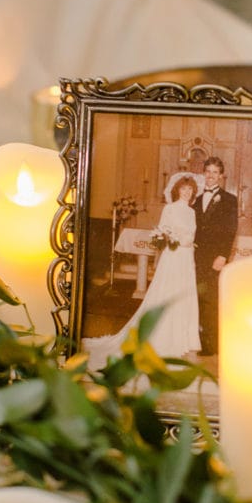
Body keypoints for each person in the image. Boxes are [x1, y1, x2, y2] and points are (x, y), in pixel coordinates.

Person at [83, 176, 201, 370]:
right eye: (183, 189)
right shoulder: (169, 209)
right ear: (177, 190)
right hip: (173, 257)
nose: (186, 193)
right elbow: (163, 234)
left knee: (184, 297)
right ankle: (163, 336)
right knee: (167, 293)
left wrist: (186, 241)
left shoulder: (191, 212)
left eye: (190, 190)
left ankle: (182, 340)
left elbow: (192, 235)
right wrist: (172, 240)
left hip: (187, 259)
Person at [193, 156, 238, 356]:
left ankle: (213, 345)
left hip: (215, 258)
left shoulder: (229, 200)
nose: (210, 176)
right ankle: (201, 340)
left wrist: (222, 256)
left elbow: (230, 230)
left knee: (212, 299)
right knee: (198, 299)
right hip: (195, 257)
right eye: (208, 171)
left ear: (221, 176)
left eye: (214, 172)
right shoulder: (196, 199)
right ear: (204, 174)